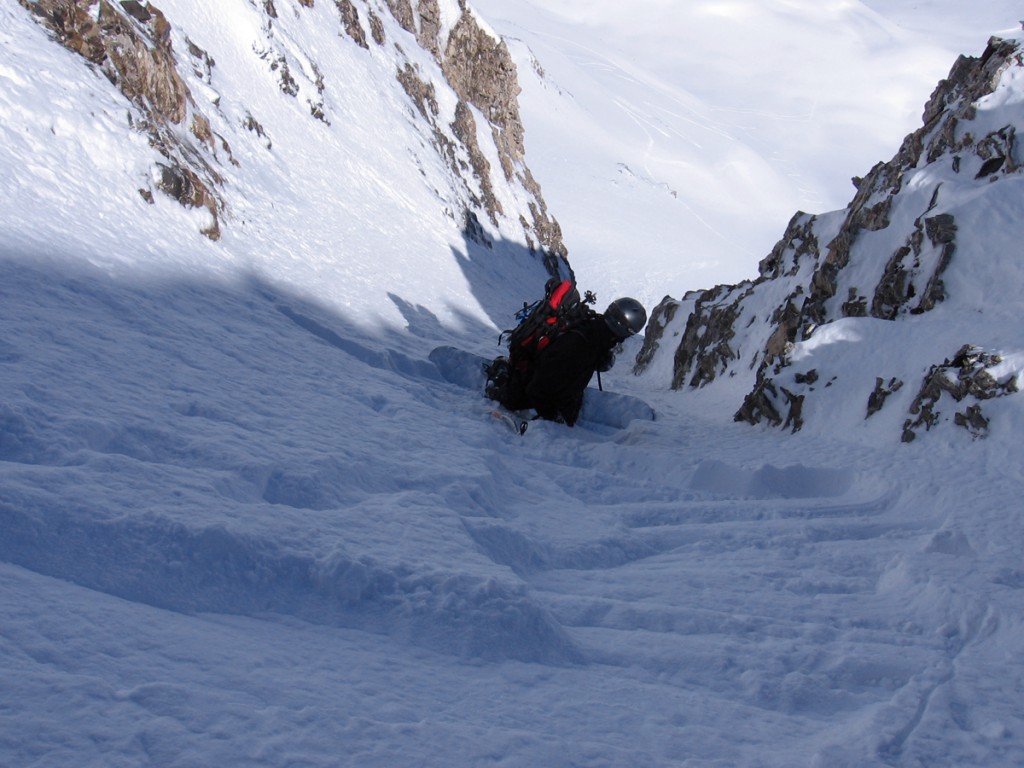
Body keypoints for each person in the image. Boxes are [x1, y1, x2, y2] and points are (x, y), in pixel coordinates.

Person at [486, 297, 647, 426]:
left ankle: (507, 372)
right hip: (524, 394)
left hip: (539, 388)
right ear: (621, 331)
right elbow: (537, 388)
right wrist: (555, 417)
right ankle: (501, 377)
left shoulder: (594, 332)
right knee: (510, 397)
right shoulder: (582, 345)